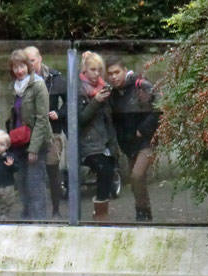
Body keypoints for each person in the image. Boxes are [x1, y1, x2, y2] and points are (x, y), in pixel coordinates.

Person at [105, 55, 159, 222]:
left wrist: (143, 130)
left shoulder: (140, 85)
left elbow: (160, 107)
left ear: (124, 70)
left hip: (147, 141)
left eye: (117, 72)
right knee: (136, 182)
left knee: (137, 176)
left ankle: (142, 212)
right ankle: (144, 213)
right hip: (129, 144)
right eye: (110, 74)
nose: (114, 77)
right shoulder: (113, 94)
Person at [6, 49, 52, 220]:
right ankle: (26, 220)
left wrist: (34, 148)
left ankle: (39, 221)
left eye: (22, 66)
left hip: (35, 143)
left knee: (35, 185)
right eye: (15, 67)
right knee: (22, 184)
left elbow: (42, 120)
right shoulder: (14, 87)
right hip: (18, 141)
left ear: (29, 66)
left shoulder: (38, 86)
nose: (19, 70)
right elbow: (14, 116)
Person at [25, 46, 67, 217]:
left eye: (32, 61)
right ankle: (36, 211)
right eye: (26, 62)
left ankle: (56, 210)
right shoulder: (22, 79)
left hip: (52, 131)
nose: (29, 65)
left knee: (52, 169)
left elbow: (69, 101)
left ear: (40, 59)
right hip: (30, 131)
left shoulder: (55, 77)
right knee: (35, 173)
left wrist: (59, 113)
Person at [77, 51, 119, 221]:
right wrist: (96, 101)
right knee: (104, 169)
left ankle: (101, 212)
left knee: (109, 172)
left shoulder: (104, 87)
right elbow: (81, 118)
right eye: (92, 69)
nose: (96, 73)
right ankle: (100, 214)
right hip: (88, 142)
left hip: (106, 141)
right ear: (85, 70)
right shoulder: (79, 89)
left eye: (99, 70)